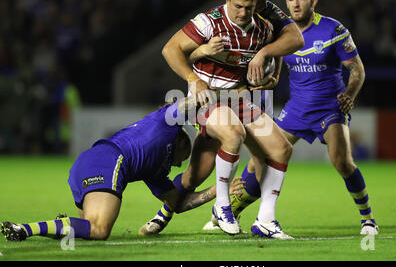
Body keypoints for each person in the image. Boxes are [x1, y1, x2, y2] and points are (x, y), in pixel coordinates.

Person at [205, 0, 379, 235]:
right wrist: (273, 76)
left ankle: (367, 219)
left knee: (341, 161)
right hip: (296, 109)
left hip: (330, 108)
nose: (295, 4)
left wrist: (350, 95)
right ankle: (229, 213)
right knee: (259, 160)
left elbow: (357, 69)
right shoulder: (280, 31)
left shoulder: (333, 30)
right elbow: (279, 54)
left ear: (313, 1)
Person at [142, 0, 303, 238]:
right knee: (233, 134)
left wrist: (272, 71)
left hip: (239, 100)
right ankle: (222, 206)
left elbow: (282, 47)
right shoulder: (209, 22)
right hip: (207, 99)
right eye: (238, 6)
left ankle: (265, 220)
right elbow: (170, 50)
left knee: (280, 149)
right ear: (228, 0)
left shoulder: (262, 29)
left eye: (249, 8)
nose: (243, 13)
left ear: (256, 6)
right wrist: (194, 78)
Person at [0, 101, 242, 241]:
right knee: (99, 230)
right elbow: (189, 102)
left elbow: (177, 204)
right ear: (178, 143)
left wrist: (218, 191)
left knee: (86, 229)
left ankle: (55, 224)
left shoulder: (155, 171)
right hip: (108, 161)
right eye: (181, 158)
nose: (178, 165)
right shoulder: (165, 124)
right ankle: (23, 229)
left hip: (86, 163)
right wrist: (210, 96)